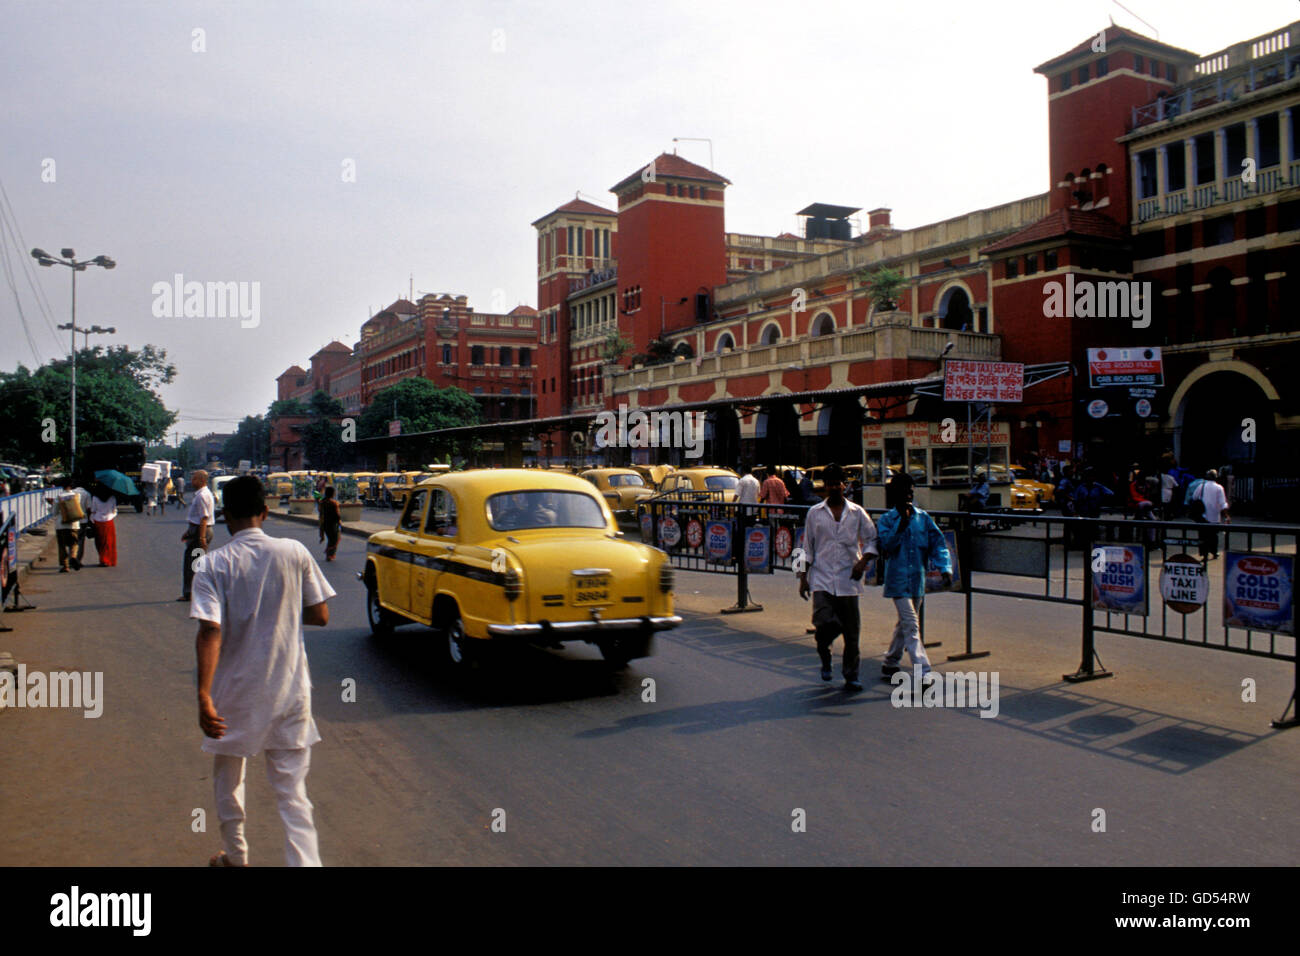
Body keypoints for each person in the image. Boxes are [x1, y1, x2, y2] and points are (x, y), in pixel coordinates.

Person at [192, 475, 335, 867]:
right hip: (290, 692)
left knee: (229, 781)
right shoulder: (294, 551)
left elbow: (210, 630)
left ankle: (236, 858)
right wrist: (282, 608)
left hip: (234, 695)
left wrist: (203, 695)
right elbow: (321, 615)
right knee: (293, 793)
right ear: (265, 512)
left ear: (225, 516)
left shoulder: (212, 565)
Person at [797, 462, 877, 691]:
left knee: (852, 633)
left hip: (848, 580)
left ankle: (851, 675)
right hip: (821, 578)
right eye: (829, 484)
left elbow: (872, 539)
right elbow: (807, 547)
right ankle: (825, 659)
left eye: (837, 484)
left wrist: (862, 562)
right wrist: (803, 577)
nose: (834, 488)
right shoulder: (814, 514)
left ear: (845, 485)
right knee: (822, 625)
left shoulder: (857, 513)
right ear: (825, 486)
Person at [875, 473, 952, 684]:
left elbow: (938, 543)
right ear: (895, 494)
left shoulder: (923, 518)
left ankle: (890, 661)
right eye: (904, 491)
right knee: (911, 624)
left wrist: (945, 568)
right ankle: (924, 672)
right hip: (897, 581)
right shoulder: (887, 520)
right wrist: (901, 524)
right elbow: (887, 546)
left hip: (917, 581)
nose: (908, 494)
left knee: (905, 624)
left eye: (911, 490)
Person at [179, 469, 215, 602]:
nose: (192, 481)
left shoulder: (202, 496)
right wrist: (188, 532)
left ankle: (193, 593)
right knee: (196, 563)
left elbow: (204, 518)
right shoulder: (201, 494)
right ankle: (194, 592)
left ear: (202, 480)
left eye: (194, 478)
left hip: (200, 531)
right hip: (196, 530)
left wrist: (201, 537)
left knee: (194, 564)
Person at [1186, 469, 1230, 559]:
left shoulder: (1201, 486)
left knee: (1202, 535)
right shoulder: (1219, 488)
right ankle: (1214, 552)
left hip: (1202, 515)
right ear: (1216, 477)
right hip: (1214, 516)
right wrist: (1226, 515)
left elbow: (1194, 497)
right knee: (1214, 535)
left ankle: (1204, 553)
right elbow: (1223, 503)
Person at [46, 477, 85, 572]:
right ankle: (73, 556)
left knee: (62, 546)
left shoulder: (58, 497)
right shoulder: (77, 496)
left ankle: (66, 566)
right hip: (74, 524)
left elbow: (54, 512)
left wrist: (51, 505)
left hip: (61, 525)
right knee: (74, 543)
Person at [89, 484, 119, 567]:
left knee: (100, 541)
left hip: (98, 520)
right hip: (109, 521)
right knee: (109, 541)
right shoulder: (112, 498)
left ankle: (102, 559)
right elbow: (114, 510)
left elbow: (93, 510)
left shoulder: (95, 498)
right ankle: (108, 559)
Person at [318, 486, 341, 563]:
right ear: (332, 494)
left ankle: (329, 554)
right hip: (332, 524)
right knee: (334, 539)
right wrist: (339, 522)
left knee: (331, 539)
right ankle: (329, 554)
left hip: (324, 524)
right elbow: (337, 515)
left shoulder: (322, 502)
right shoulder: (334, 503)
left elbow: (320, 513)